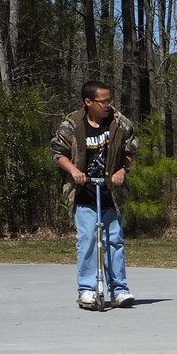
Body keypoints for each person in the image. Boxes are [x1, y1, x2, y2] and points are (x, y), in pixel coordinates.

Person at [51, 80, 138, 309]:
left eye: (110, 100)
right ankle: (87, 290)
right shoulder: (72, 124)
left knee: (114, 240)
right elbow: (58, 153)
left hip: (112, 192)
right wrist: (74, 171)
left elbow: (130, 148)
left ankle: (119, 290)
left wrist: (122, 170)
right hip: (84, 192)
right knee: (88, 240)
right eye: (103, 101)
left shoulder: (119, 122)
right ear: (88, 102)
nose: (108, 105)